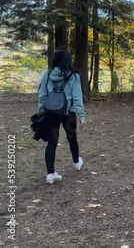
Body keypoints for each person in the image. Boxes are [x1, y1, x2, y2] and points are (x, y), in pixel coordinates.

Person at [38, 49, 86, 184]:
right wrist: (81, 116)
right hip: (68, 112)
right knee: (72, 138)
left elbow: (42, 96)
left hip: (50, 112)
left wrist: (41, 113)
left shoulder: (47, 75)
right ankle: (76, 162)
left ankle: (50, 174)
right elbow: (77, 98)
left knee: (51, 142)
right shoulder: (73, 76)